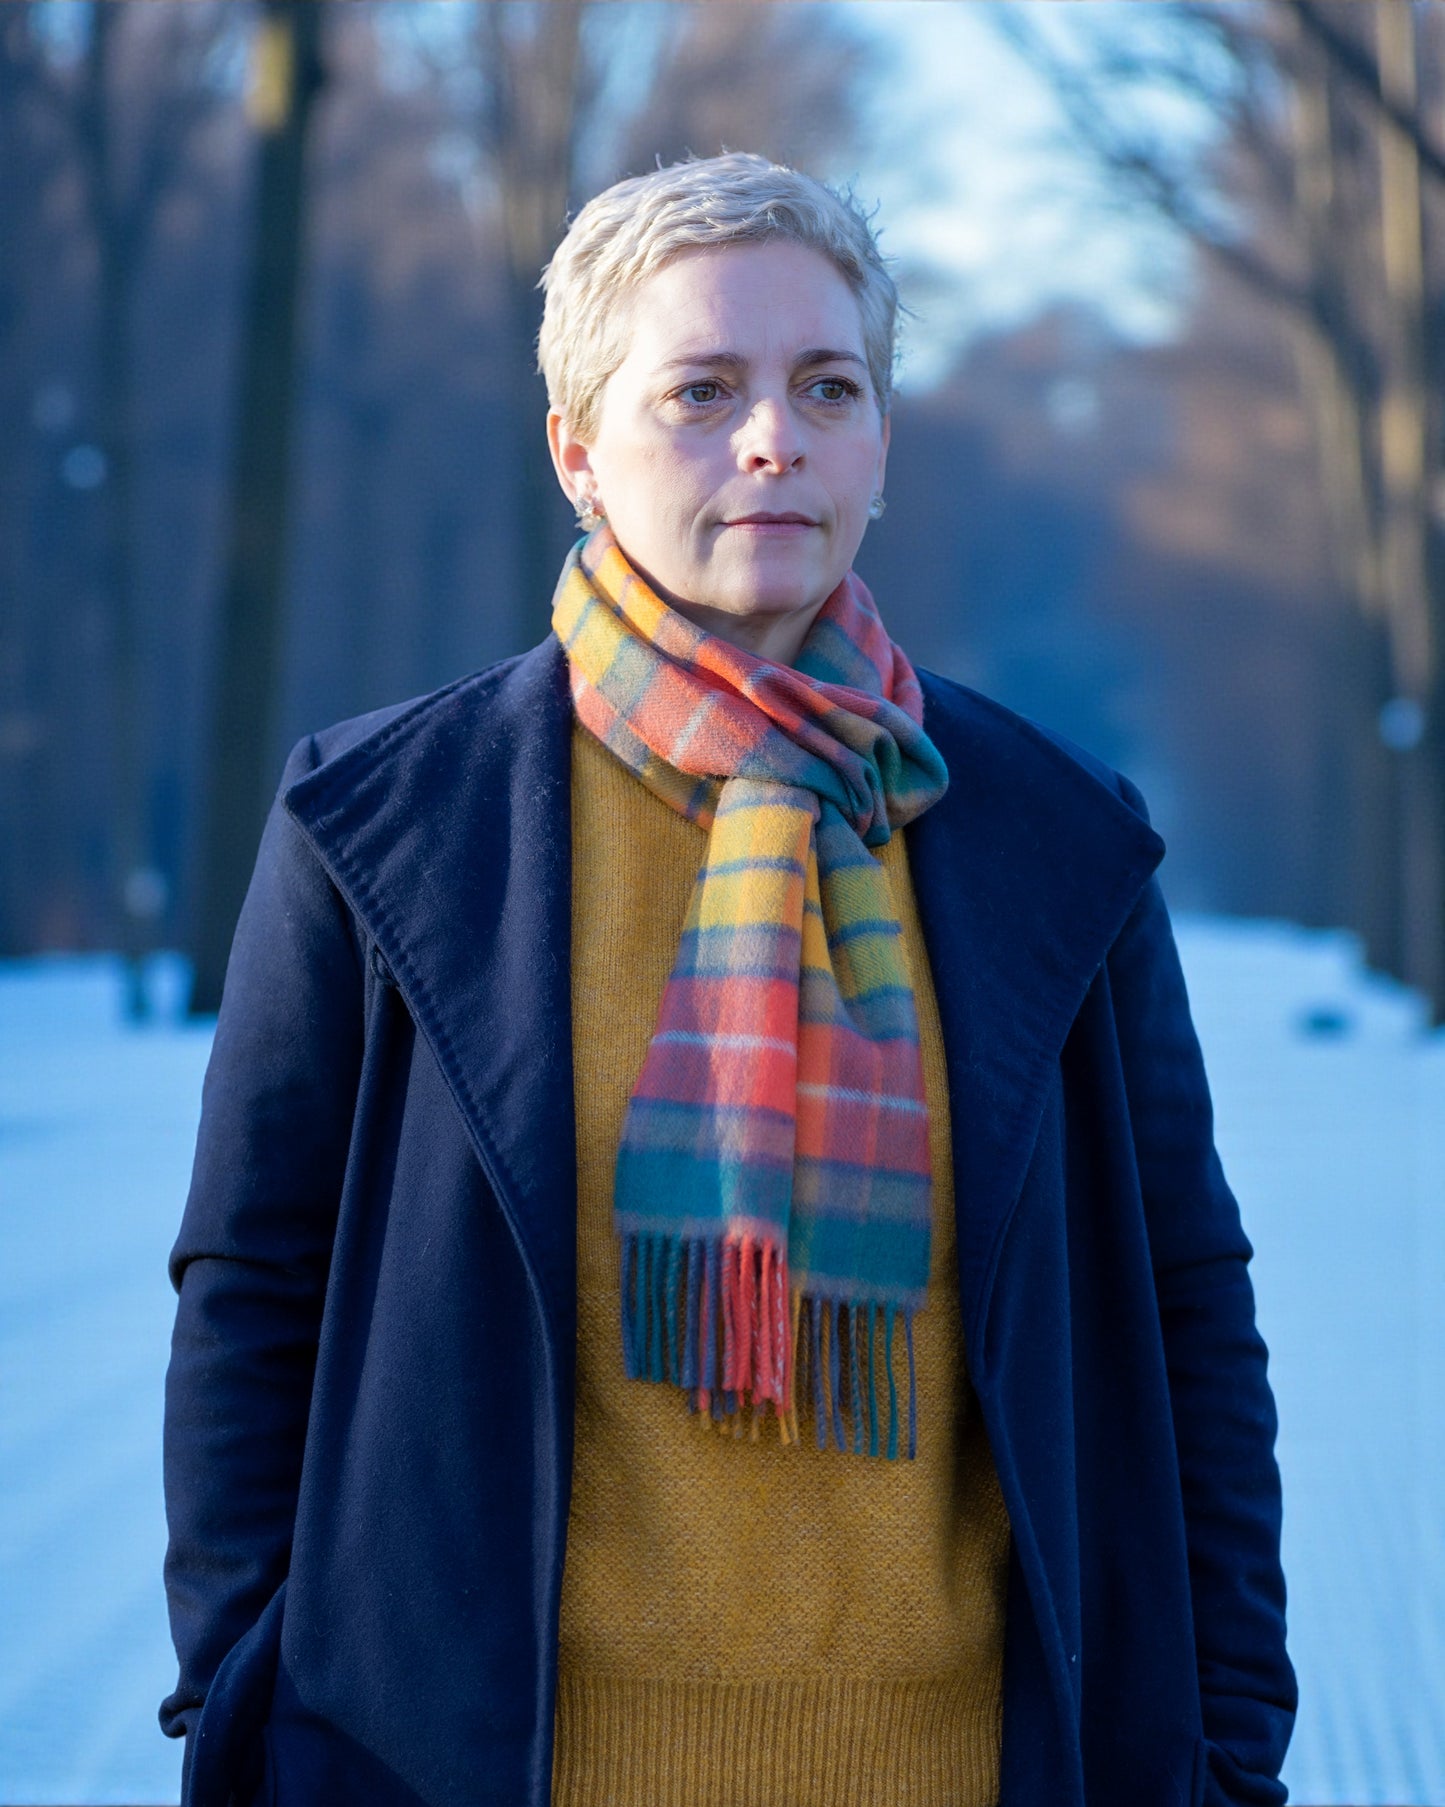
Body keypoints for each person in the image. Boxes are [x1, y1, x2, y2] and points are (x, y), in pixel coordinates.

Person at [160, 152, 1296, 1807]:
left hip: (973, 1768)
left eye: (824, 387)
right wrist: (250, 1708)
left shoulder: (1055, 839)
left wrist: (1224, 1744)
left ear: (878, 442)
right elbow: (251, 1297)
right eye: (701, 390)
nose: (773, 438)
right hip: (475, 1772)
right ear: (576, 450)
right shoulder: (381, 824)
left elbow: (1187, 1313)